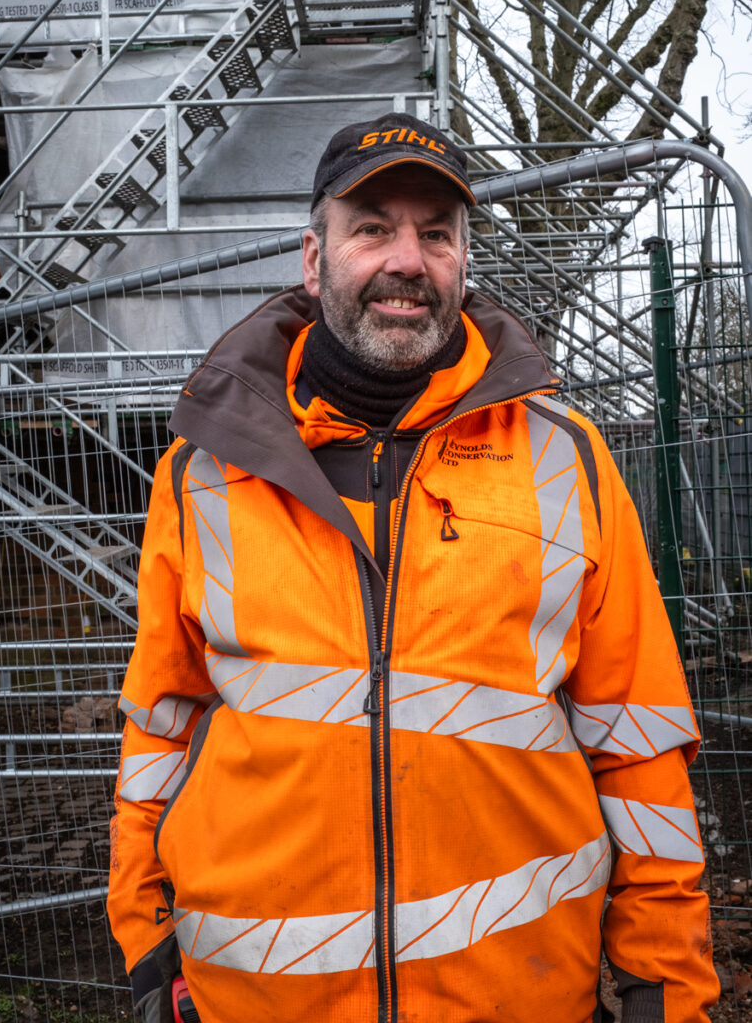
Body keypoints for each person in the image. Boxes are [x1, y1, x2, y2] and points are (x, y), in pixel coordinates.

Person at [108, 112, 719, 1023]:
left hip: (516, 998)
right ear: (314, 261)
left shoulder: (568, 459)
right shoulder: (204, 471)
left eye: (437, 234)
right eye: (372, 228)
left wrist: (663, 988)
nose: (407, 259)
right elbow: (160, 725)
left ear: (463, 262)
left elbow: (640, 747)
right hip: (258, 1001)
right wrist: (146, 943)